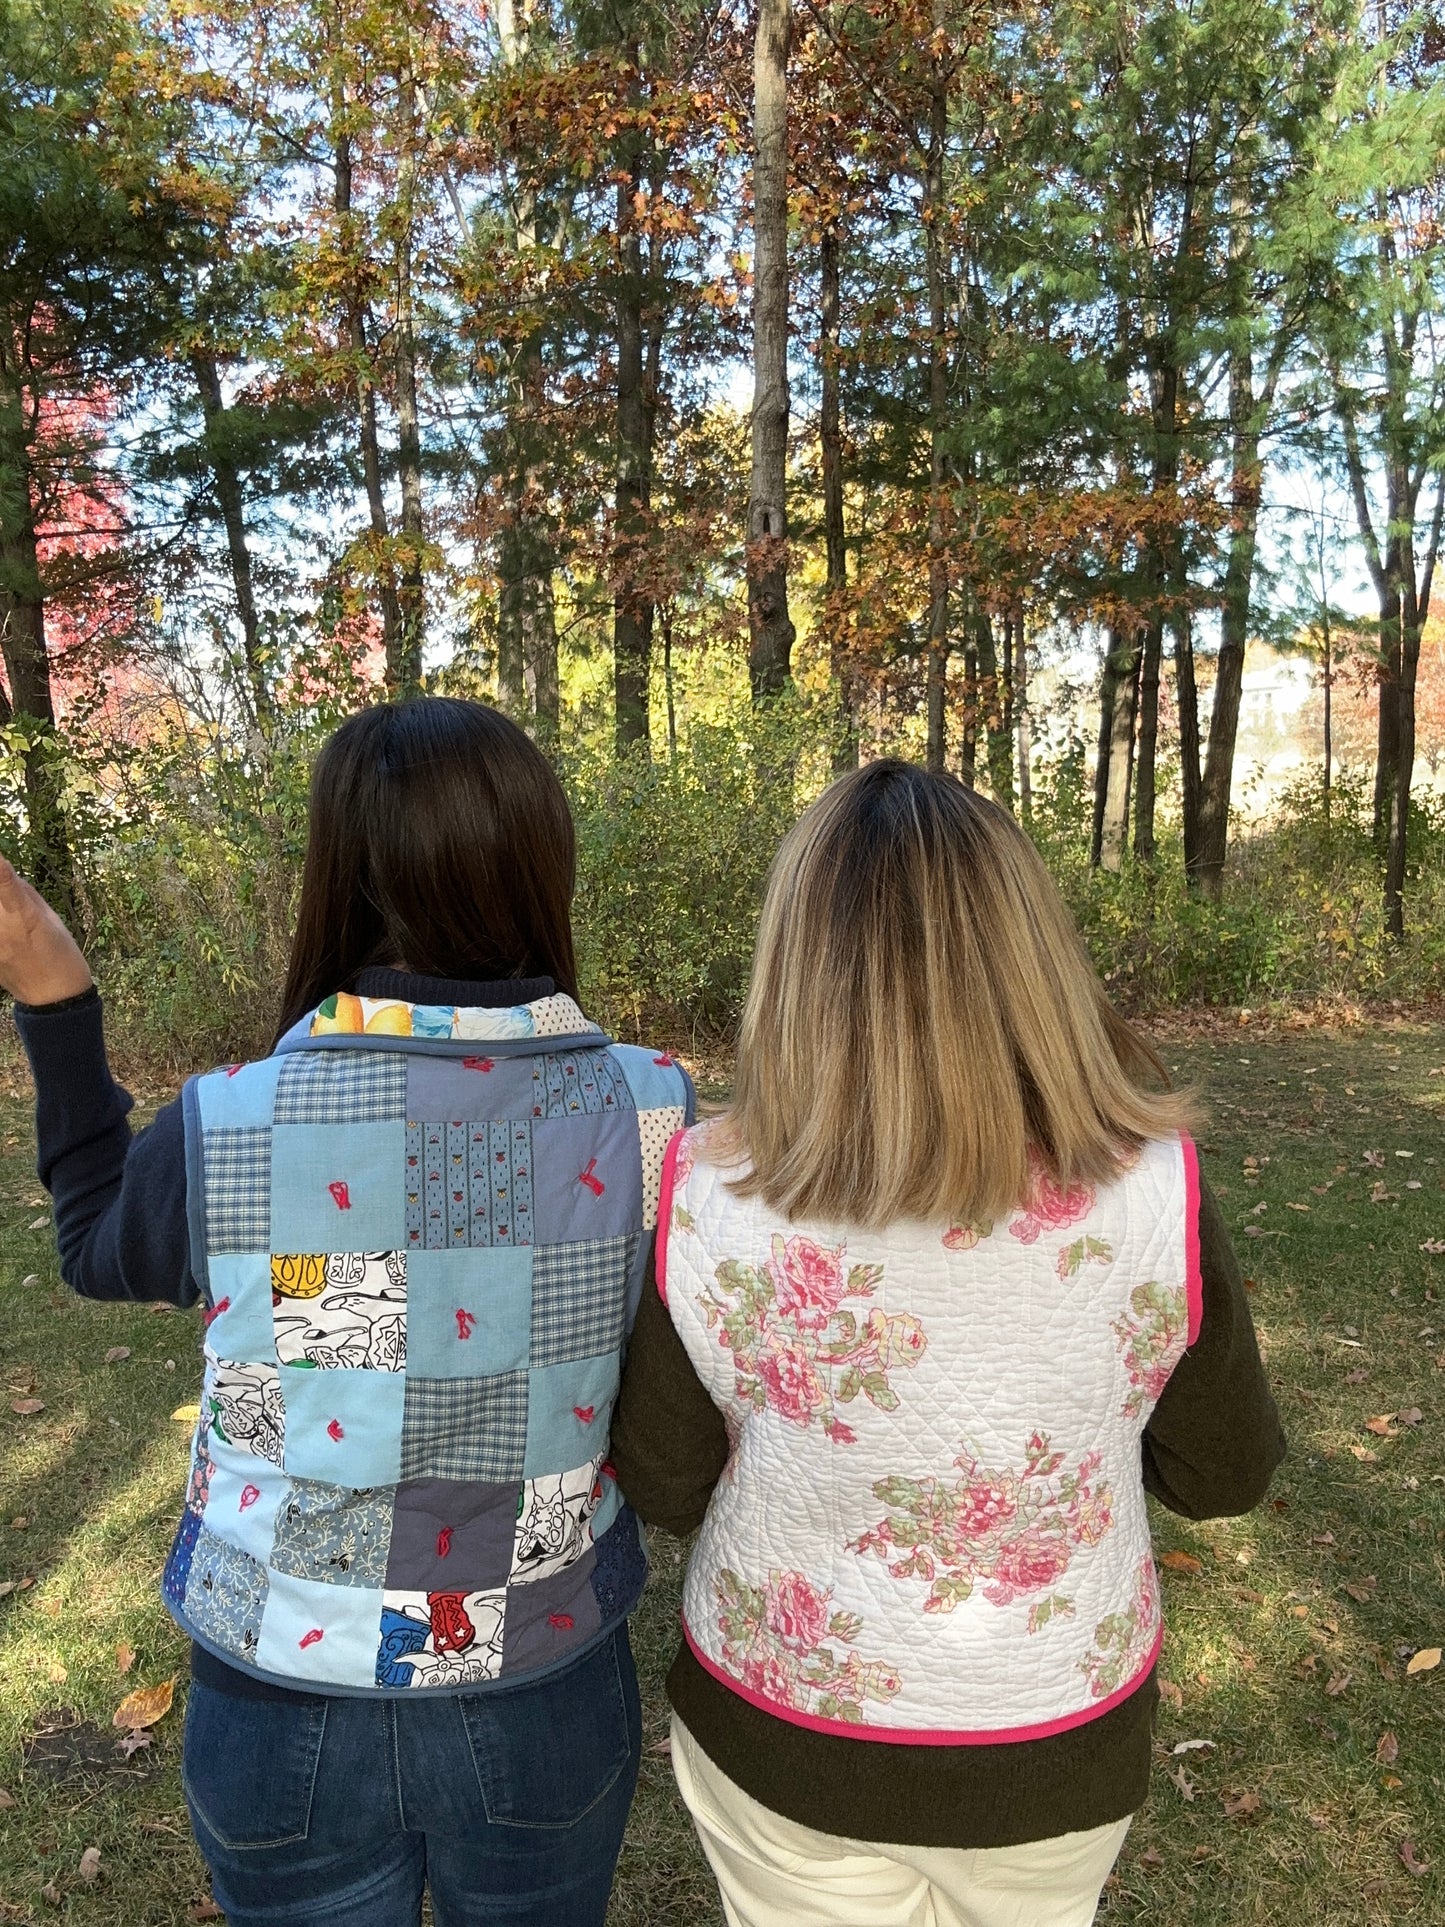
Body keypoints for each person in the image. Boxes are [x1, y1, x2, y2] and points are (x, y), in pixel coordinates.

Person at [0, 698, 693, 1927]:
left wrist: (57, 992)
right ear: (540, 865)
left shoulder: (232, 1122)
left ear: (334, 876)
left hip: (282, 1693)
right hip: (537, 1679)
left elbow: (98, 1246)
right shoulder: (653, 1115)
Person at [611, 759, 1285, 1927]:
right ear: (1029, 960)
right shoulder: (1152, 1192)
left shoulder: (710, 1189)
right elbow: (1222, 1473)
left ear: (796, 972)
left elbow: (665, 1479)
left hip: (784, 1740)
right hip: (1055, 1741)